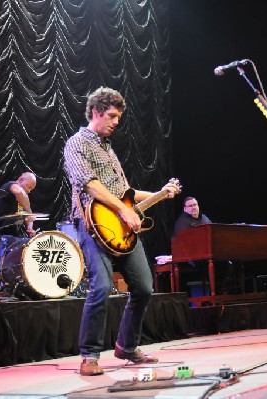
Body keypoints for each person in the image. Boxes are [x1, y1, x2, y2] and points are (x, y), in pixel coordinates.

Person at [63, 86, 180, 376]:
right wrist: (124, 210)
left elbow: (125, 193)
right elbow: (88, 183)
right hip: (92, 225)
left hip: (121, 228)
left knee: (143, 287)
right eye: (112, 116)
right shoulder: (77, 143)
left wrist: (160, 193)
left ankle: (126, 347)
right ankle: (89, 356)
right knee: (101, 287)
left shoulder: (109, 149)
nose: (116, 122)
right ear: (95, 112)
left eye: (118, 117)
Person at [0, 172, 38, 238]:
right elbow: (18, 192)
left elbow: (28, 218)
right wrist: (29, 212)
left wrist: (30, 228)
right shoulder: (10, 184)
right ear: (21, 180)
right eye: (28, 187)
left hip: (13, 235)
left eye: (31, 189)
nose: (29, 191)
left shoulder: (23, 199)